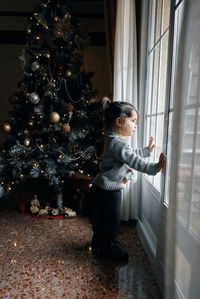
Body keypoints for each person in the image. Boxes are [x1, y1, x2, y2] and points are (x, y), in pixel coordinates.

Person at [89, 98, 165, 262]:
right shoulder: (118, 143)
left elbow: (131, 154)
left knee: (103, 220)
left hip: (103, 187)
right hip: (109, 190)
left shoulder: (114, 140)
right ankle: (108, 249)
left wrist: (145, 151)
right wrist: (154, 168)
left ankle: (99, 244)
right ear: (119, 121)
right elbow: (134, 161)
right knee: (110, 221)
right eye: (133, 121)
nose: (135, 125)